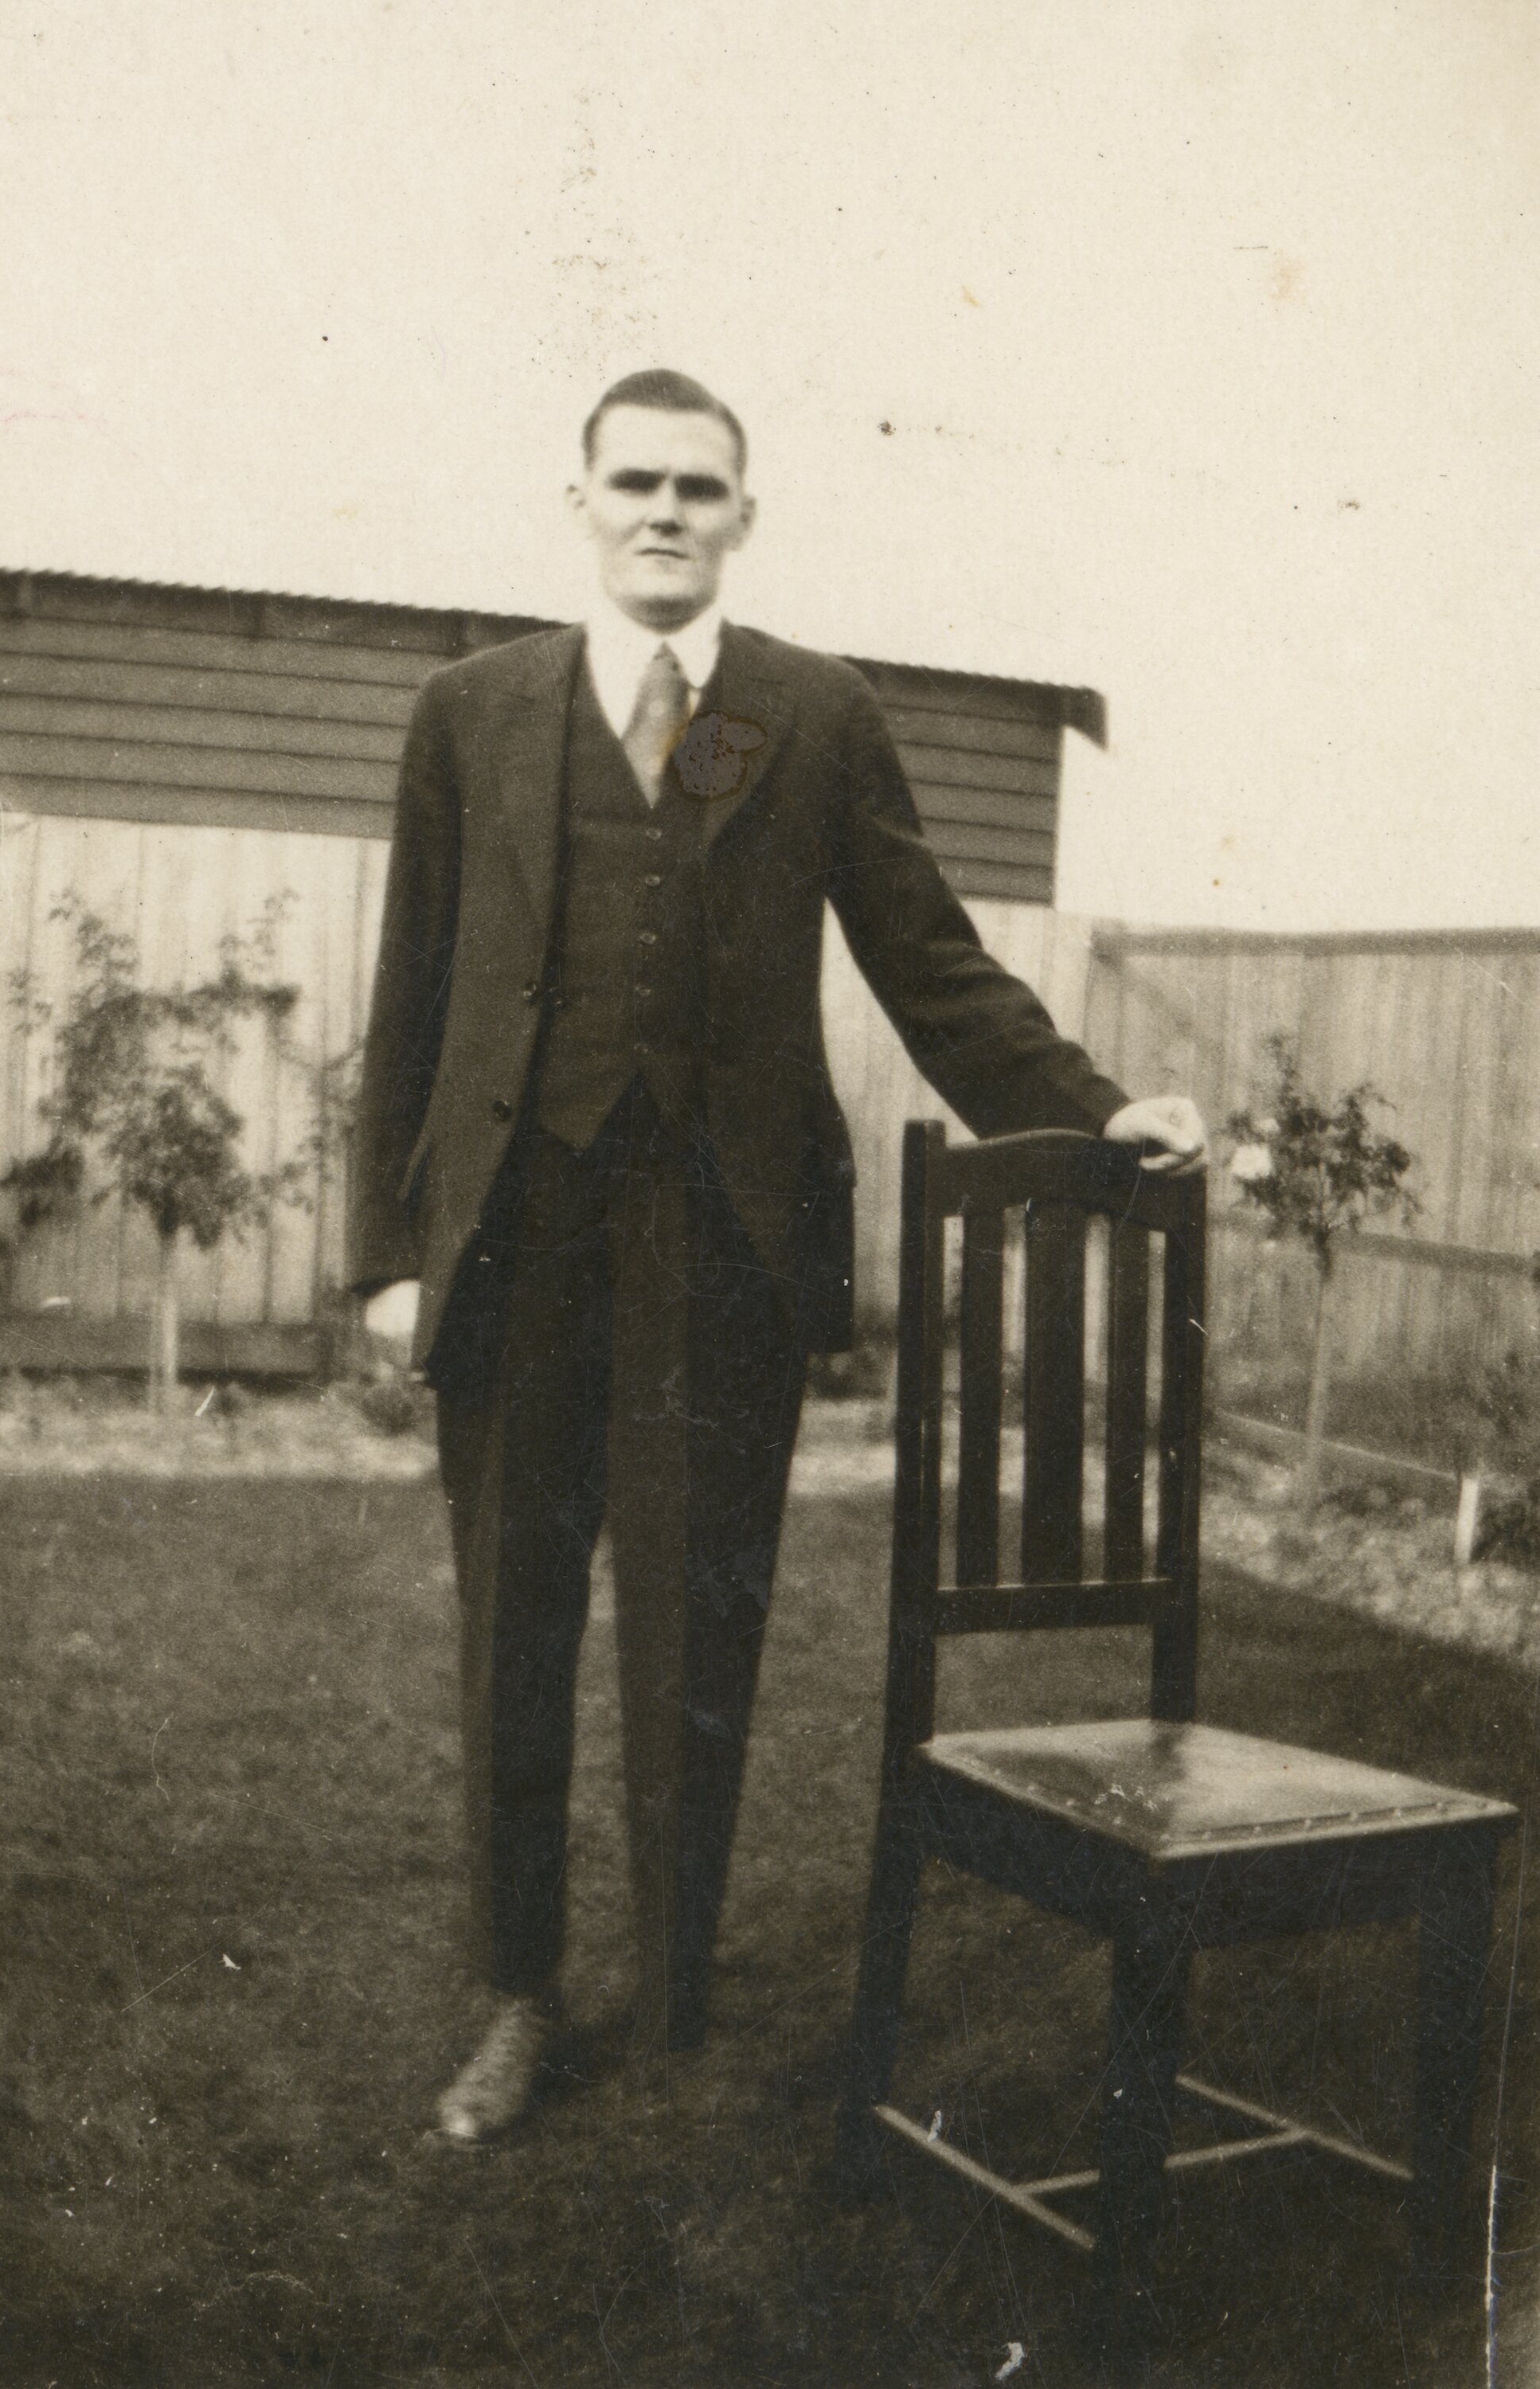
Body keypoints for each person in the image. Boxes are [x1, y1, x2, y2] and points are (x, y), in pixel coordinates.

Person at [350, 369, 1206, 2145]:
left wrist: (1097, 1107)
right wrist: (386, 1254)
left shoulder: (798, 715)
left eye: (700, 487)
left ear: (746, 514)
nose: (666, 512)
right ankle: (519, 1995)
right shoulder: (474, 713)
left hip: (720, 1252)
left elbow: (928, 958)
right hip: (514, 1245)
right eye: (636, 483)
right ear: (582, 503)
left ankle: (676, 1996)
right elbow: (411, 992)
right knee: (515, 1631)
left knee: (697, 1634)